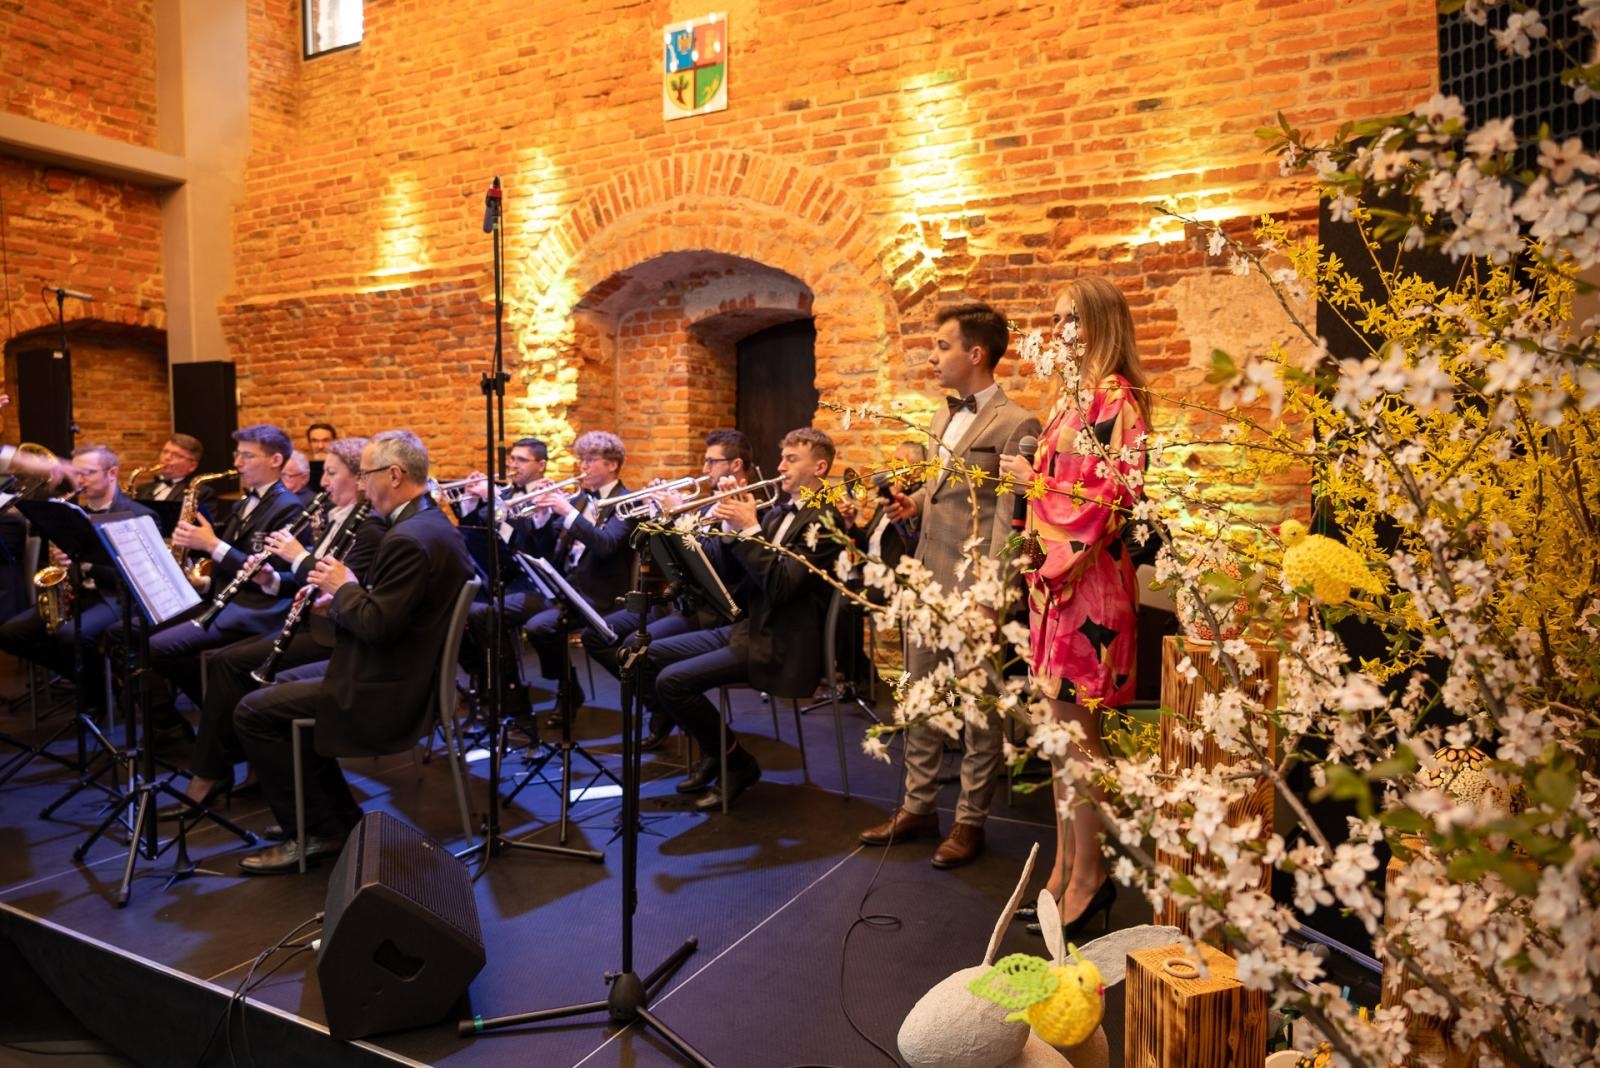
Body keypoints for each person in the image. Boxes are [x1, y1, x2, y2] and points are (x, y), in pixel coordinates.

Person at [233, 430, 472, 873]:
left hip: (386, 688)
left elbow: (376, 626)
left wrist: (341, 586)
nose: (362, 485)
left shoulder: (409, 538)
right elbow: (387, 611)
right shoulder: (430, 523)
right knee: (280, 685)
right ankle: (331, 819)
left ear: (395, 475)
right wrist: (344, 595)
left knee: (252, 712)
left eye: (366, 474)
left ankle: (314, 832)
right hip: (396, 668)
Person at [857, 302, 1040, 869]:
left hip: (973, 588)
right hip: (926, 575)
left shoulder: (1017, 424)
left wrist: (991, 596)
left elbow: (1011, 519)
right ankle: (917, 807)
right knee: (919, 695)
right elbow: (948, 499)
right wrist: (915, 504)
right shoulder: (938, 420)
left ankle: (970, 821)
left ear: (975, 354)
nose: (933, 357)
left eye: (942, 346)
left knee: (978, 708)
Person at [998, 277, 1150, 937]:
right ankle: (1065, 863)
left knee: (1079, 742)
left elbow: (1114, 498)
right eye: (1056, 317)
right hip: (1056, 586)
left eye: (1074, 320)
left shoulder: (1117, 399)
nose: (1061, 330)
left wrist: (1036, 483)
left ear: (1102, 325)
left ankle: (1091, 876)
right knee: (1061, 741)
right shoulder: (1071, 401)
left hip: (1090, 585)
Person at [159, 436, 384, 817]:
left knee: (229, 666)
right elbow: (304, 581)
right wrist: (271, 579)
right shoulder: (335, 518)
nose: (323, 483)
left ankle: (212, 773)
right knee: (226, 664)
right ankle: (231, 766)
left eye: (330, 474)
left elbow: (338, 585)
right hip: (310, 621)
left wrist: (296, 559)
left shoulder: (367, 528)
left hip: (332, 635)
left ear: (360, 479)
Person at [639, 427, 842, 811]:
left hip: (782, 642)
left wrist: (748, 528)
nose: (780, 466)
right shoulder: (780, 511)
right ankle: (717, 751)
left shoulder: (825, 522)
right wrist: (725, 529)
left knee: (673, 680)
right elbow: (734, 576)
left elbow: (781, 587)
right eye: (781, 457)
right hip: (750, 628)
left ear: (820, 466)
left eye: (791, 459)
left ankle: (736, 762)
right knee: (648, 656)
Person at [582, 428, 755, 750]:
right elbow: (674, 560)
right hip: (684, 602)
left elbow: (715, 563)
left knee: (637, 647)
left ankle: (666, 710)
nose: (703, 470)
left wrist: (682, 515)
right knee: (602, 635)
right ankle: (660, 706)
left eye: (711, 462)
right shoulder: (707, 504)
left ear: (735, 465)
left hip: (716, 613)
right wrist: (660, 517)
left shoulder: (746, 508)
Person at [153, 424, 304, 720]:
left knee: (157, 647)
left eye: (247, 456)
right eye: (237, 455)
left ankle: (217, 716)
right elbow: (232, 567)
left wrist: (212, 544)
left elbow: (271, 574)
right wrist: (204, 581)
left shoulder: (290, 508)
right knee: (141, 630)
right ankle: (213, 715)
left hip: (257, 610)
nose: (236, 463)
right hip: (226, 601)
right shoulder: (244, 503)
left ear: (275, 461)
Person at [0, 445, 154, 717]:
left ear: (112, 473)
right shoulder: (70, 514)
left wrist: (87, 564)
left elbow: (140, 576)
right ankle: (95, 683)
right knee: (11, 633)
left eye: (89, 473)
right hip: (78, 595)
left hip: (116, 596)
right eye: (77, 473)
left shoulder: (137, 514)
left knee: (71, 636)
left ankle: (98, 693)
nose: (80, 480)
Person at [522, 430, 632, 698]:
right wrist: (542, 515)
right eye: (581, 459)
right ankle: (567, 687)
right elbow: (548, 550)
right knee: (519, 619)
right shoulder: (580, 499)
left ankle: (573, 691)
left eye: (591, 460)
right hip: (567, 589)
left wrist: (567, 511)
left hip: (601, 595)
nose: (583, 466)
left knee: (540, 627)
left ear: (612, 465)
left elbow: (605, 545)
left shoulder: (626, 501)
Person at [131, 434, 210, 504]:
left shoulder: (201, 493)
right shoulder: (142, 489)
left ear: (192, 466)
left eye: (176, 455)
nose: (167, 458)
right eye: (165, 452)